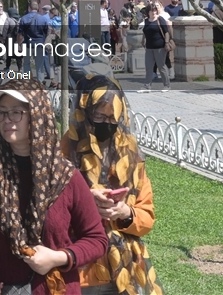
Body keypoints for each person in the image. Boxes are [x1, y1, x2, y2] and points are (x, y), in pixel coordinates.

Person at [0, 80, 108, 295]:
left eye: (16, 112)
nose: (7, 120)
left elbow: (97, 239)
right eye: (2, 112)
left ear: (37, 115)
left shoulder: (65, 176)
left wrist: (59, 257)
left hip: (56, 288)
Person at [64, 75, 164, 295]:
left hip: (126, 270)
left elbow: (146, 218)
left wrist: (125, 212)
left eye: (112, 118)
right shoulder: (65, 150)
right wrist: (85, 201)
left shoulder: (131, 155)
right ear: (84, 112)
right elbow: (50, 212)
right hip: (81, 269)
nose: (105, 123)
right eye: (99, 115)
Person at [138, 2, 171, 93]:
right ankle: (147, 86)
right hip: (149, 47)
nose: (154, 12)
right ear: (148, 12)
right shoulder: (147, 21)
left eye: (155, 10)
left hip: (160, 47)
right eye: (152, 11)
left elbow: (166, 32)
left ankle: (167, 85)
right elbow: (145, 31)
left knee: (161, 67)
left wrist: (167, 43)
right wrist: (142, 40)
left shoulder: (160, 19)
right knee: (149, 67)